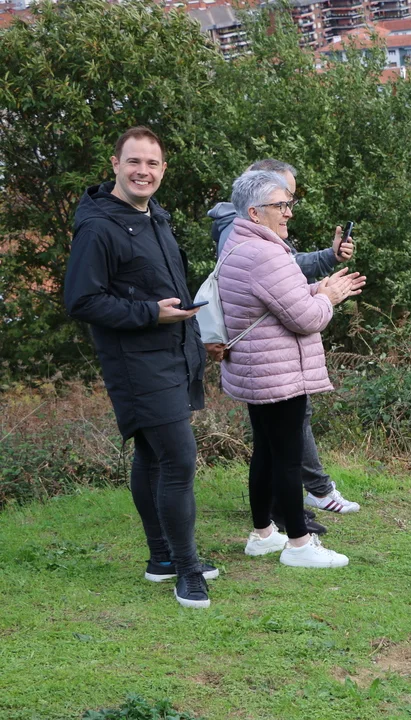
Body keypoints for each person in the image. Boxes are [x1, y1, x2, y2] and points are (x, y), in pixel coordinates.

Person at [64, 127, 215, 609]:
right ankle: (187, 570)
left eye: (152, 163)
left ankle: (162, 557)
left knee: (152, 456)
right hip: (137, 364)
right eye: (134, 161)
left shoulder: (155, 216)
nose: (142, 171)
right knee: (179, 460)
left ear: (163, 169)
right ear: (115, 164)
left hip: (173, 353)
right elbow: (82, 300)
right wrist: (151, 313)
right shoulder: (98, 227)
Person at [218, 170, 365, 568]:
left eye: (289, 204)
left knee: (265, 453)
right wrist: (329, 298)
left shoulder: (238, 243)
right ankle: (299, 545)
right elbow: (305, 318)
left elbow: (278, 299)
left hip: (257, 368)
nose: (288, 213)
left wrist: (320, 289)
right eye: (280, 205)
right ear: (254, 212)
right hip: (278, 371)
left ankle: (263, 534)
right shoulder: (266, 253)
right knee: (286, 457)